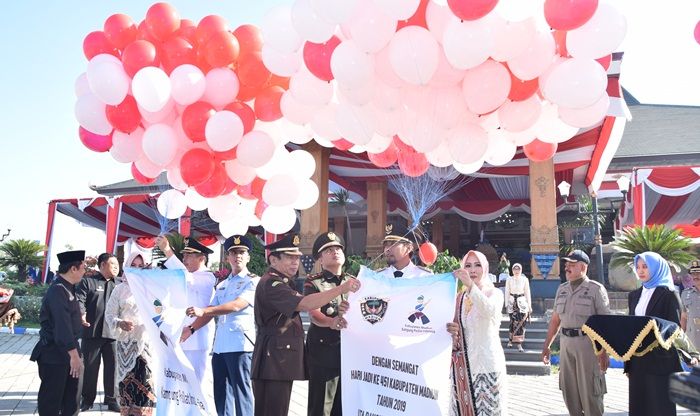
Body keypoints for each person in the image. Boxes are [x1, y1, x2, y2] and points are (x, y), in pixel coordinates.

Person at [251, 233, 360, 416]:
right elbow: (306, 305)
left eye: (297, 258)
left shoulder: (283, 282)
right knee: (274, 410)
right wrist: (341, 289)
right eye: (289, 257)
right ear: (273, 259)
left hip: (279, 360)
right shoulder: (272, 283)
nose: (295, 262)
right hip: (274, 360)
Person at [182, 235, 258, 416]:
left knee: (241, 393)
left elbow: (236, 305)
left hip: (240, 345)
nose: (237, 256)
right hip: (220, 346)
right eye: (233, 253)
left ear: (248, 257)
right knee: (221, 395)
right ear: (227, 258)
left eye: (241, 252)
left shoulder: (253, 280)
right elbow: (209, 310)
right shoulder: (223, 284)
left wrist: (205, 311)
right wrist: (191, 328)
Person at [541, 250, 610, 416]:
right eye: (566, 265)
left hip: (588, 346)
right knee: (569, 391)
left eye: (572, 265)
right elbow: (556, 320)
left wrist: (604, 352)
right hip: (566, 345)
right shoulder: (562, 289)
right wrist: (547, 345)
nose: (567, 268)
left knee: (590, 393)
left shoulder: (595, 290)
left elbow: (606, 323)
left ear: (583, 267)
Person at [625, 252, 688, 415]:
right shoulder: (634, 295)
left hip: (660, 361)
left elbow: (673, 328)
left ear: (656, 268)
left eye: (645, 266)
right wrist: (628, 361)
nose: (640, 271)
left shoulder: (669, 295)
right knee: (639, 406)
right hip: (638, 360)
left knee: (660, 406)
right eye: (638, 267)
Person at [450, 250, 508, 415]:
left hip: (487, 364)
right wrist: (452, 330)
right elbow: (456, 325)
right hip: (462, 366)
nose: (472, 270)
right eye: (468, 266)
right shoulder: (460, 297)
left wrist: (470, 286)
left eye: (477, 265)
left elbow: (489, 311)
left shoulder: (495, 294)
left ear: (485, 268)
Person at [30, 250, 86, 416]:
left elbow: (66, 319)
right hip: (56, 355)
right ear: (73, 269)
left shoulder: (68, 288)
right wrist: (74, 357)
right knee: (52, 403)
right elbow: (61, 327)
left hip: (68, 353)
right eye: (82, 267)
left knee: (71, 401)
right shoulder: (58, 290)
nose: (85, 271)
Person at [304, 232, 355, 416]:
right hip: (323, 352)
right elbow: (314, 313)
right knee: (322, 406)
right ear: (320, 259)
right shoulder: (314, 282)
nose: (335, 252)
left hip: (350, 352)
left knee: (344, 406)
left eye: (338, 248)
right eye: (329, 250)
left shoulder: (354, 281)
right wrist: (331, 322)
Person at [156, 235, 216, 383]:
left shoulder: (207, 277)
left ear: (201, 258)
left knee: (195, 385)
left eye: (189, 255)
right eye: (184, 255)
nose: (185, 259)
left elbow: (184, 276)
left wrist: (168, 251)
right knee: (179, 386)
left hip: (196, 339)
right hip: (179, 336)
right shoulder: (188, 275)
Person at [105, 252, 156, 415]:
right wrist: (120, 322)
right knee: (126, 388)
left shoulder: (151, 289)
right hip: (124, 347)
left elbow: (160, 310)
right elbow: (109, 315)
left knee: (146, 385)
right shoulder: (120, 289)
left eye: (140, 266)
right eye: (133, 266)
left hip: (145, 345)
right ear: (126, 267)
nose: (136, 269)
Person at [76, 253, 120, 412]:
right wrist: (81, 313)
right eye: (112, 264)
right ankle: (87, 400)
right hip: (92, 333)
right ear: (102, 265)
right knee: (90, 368)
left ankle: (112, 399)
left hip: (114, 335)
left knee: (113, 368)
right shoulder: (88, 282)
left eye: (117, 264)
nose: (116, 267)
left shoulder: (120, 284)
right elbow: (79, 300)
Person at [505, 263, 531, 352]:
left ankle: (519, 344)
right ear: (512, 270)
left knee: (521, 324)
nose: (516, 271)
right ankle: (510, 341)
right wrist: (506, 304)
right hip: (512, 303)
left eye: (518, 269)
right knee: (512, 322)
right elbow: (507, 292)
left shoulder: (525, 279)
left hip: (522, 303)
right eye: (515, 269)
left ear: (521, 270)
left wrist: (529, 305)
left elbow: (527, 292)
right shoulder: (509, 279)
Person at [681, 259, 700, 349]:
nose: (696, 276)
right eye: (693, 274)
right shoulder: (685, 294)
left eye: (698, 273)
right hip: (692, 342)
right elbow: (684, 317)